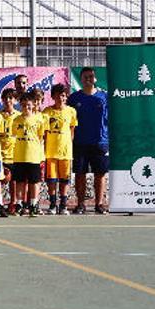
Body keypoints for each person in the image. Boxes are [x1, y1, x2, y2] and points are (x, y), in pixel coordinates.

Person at [68, 67, 109, 214]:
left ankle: (99, 204)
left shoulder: (105, 97)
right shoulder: (74, 98)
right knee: (80, 174)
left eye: (91, 76)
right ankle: (80, 204)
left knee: (100, 174)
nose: (88, 79)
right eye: (85, 77)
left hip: (100, 142)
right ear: (80, 78)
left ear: (95, 79)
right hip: (79, 142)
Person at [44, 84, 78, 215]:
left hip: (65, 153)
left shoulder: (71, 111)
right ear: (53, 96)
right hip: (51, 152)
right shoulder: (47, 111)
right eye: (58, 96)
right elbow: (44, 132)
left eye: (63, 96)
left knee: (64, 180)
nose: (60, 98)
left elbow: (72, 130)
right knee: (51, 180)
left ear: (66, 97)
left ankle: (63, 205)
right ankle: (53, 205)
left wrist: (67, 145)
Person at [12, 92, 46, 217]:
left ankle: (34, 204)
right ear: (21, 105)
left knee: (34, 182)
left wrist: (40, 155)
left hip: (33, 157)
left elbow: (41, 138)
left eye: (29, 105)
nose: (27, 107)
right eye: (24, 105)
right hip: (19, 156)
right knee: (20, 182)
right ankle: (20, 205)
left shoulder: (39, 120)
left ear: (34, 105)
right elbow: (13, 136)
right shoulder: (16, 120)